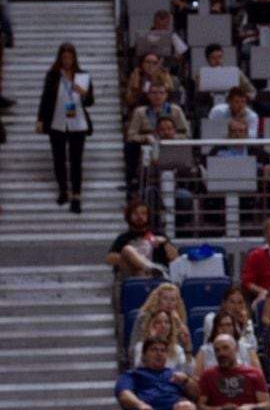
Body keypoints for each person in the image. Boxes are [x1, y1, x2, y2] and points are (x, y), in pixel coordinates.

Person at [35, 42, 94, 212]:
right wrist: (40, 119)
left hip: (78, 122)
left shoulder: (82, 76)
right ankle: (63, 190)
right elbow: (46, 98)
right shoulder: (53, 76)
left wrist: (84, 94)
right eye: (64, 58)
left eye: (70, 57)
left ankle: (76, 194)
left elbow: (90, 102)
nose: (67, 61)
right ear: (60, 59)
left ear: (75, 59)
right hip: (57, 121)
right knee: (58, 158)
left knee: (76, 159)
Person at [116, 337, 200, 410]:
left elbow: (195, 394)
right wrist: (140, 405)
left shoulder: (175, 374)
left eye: (163, 351)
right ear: (144, 356)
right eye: (154, 350)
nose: (159, 353)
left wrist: (186, 381)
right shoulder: (132, 374)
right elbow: (124, 395)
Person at [196, 335, 270, 410]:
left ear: (236, 349)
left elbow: (267, 404)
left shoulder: (254, 373)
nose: (221, 353)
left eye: (225, 348)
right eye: (217, 350)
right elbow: (200, 406)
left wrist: (250, 407)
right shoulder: (208, 375)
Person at [107, 199, 178, 278]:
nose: (139, 217)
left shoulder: (159, 235)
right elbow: (109, 259)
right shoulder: (123, 238)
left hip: (159, 276)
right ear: (129, 216)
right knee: (127, 249)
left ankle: (154, 271)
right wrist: (131, 258)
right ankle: (150, 268)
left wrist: (165, 242)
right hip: (133, 275)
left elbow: (175, 258)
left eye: (143, 214)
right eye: (135, 213)